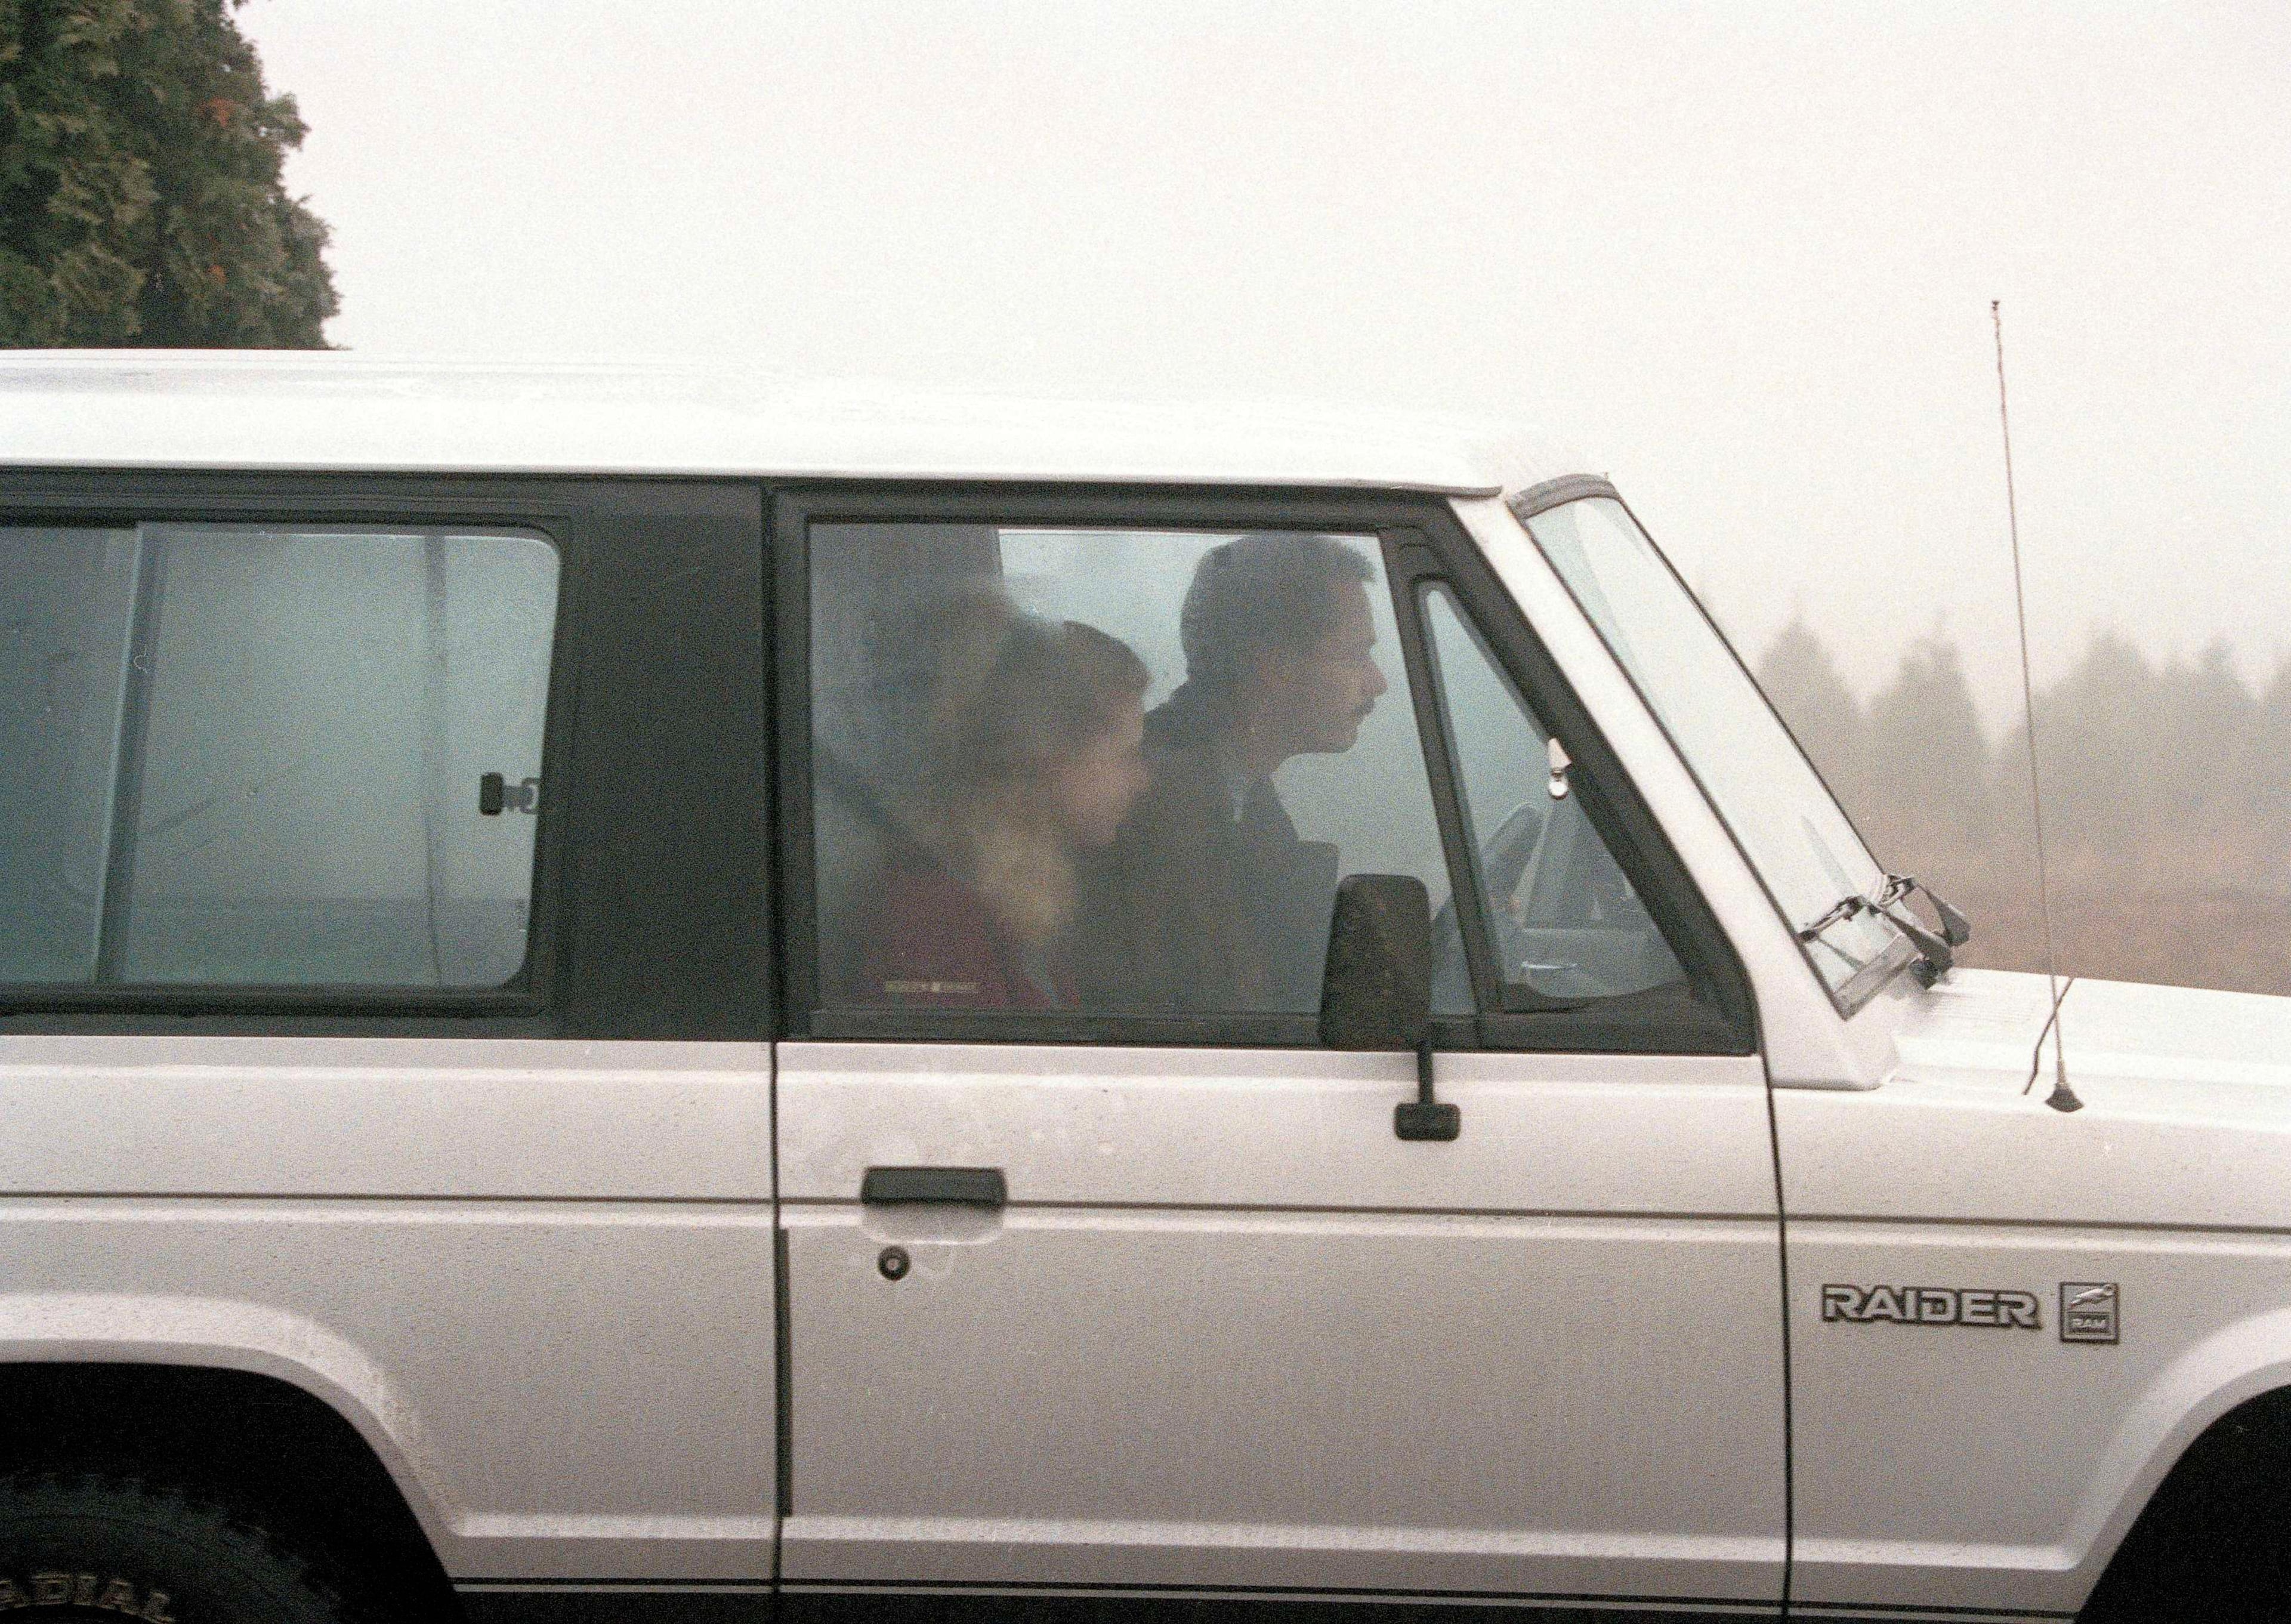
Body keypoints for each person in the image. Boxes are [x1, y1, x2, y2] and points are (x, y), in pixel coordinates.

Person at [1076, 532, 1388, 1012]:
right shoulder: (1157, 816)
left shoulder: (1236, 793)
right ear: (1273, 665)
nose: (1377, 683)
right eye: (1353, 655)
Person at [846, 597, 1151, 1009]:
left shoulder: (1019, 888)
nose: (1142, 779)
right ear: (1050, 751)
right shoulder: (935, 920)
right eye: (1123, 754)